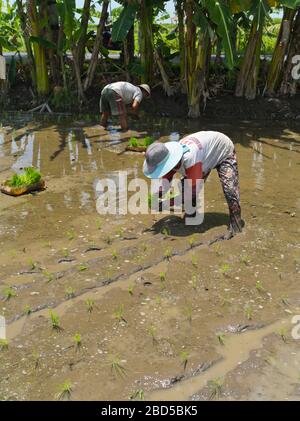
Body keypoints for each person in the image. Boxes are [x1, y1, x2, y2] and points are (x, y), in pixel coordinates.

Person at [143, 131, 243, 238]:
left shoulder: (190, 159)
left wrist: (166, 204)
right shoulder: (169, 160)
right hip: (204, 155)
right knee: (185, 186)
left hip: (223, 150)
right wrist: (157, 195)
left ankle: (236, 226)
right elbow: (165, 183)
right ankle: (191, 216)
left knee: (230, 190)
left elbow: (191, 192)